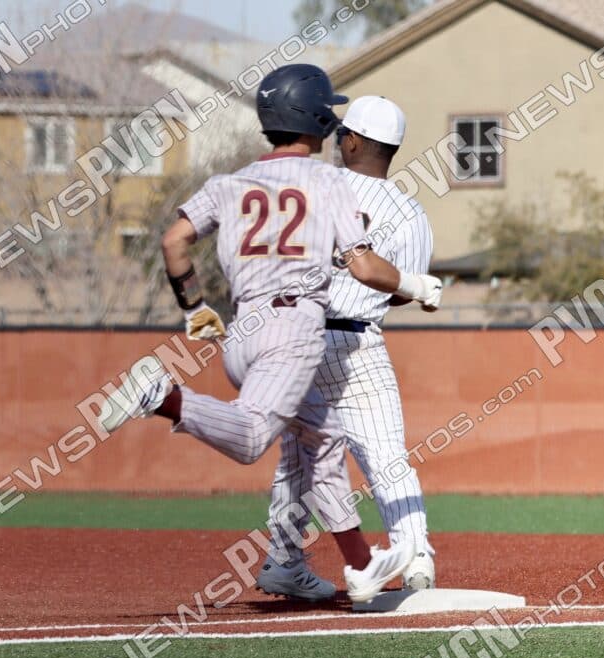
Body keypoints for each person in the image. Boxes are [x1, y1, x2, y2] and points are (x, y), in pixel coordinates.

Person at [97, 65, 442, 600]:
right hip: (310, 331)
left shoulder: (231, 182)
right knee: (305, 443)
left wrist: (195, 309)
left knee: (312, 448)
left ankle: (335, 564)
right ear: (321, 122)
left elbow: (173, 242)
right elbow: (369, 270)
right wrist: (419, 286)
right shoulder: (335, 185)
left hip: (244, 331)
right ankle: (164, 398)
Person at [257, 96, 436, 602]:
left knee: (300, 455)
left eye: (342, 135)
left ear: (352, 141)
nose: (338, 141)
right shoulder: (409, 211)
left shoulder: (312, 189)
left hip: (295, 337)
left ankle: (285, 559)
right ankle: (416, 556)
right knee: (384, 453)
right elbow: (403, 289)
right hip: (356, 341)